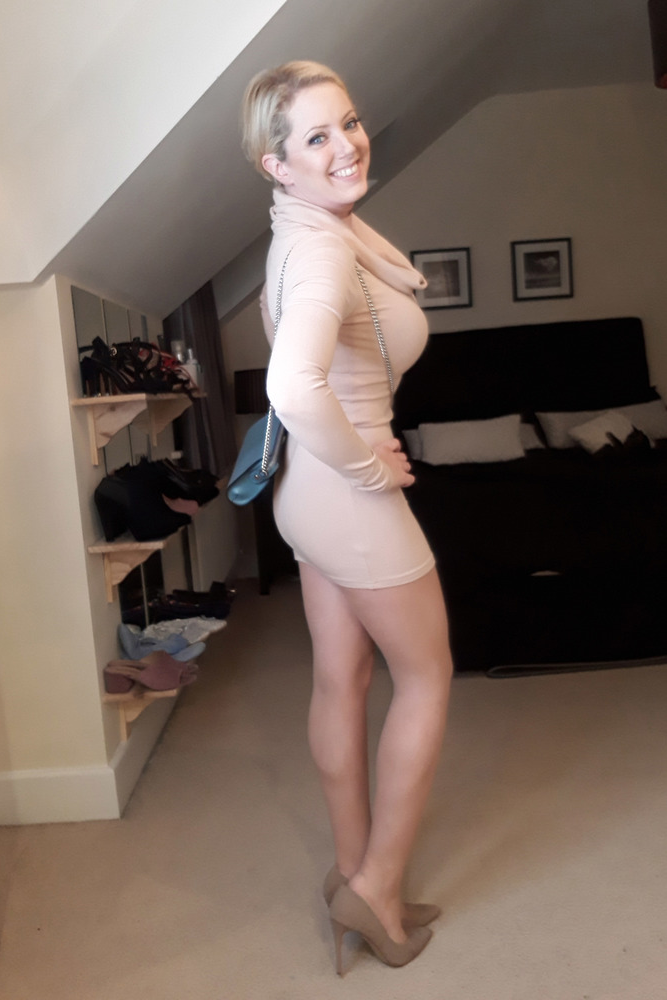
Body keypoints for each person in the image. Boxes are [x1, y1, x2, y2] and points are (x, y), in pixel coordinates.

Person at [241, 61, 453, 975]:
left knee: (343, 678)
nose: (346, 146)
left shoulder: (304, 232)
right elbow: (294, 387)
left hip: (305, 494)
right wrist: (370, 467)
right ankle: (378, 889)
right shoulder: (325, 251)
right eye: (317, 136)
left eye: (351, 123)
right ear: (277, 163)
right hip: (345, 491)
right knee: (428, 677)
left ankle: (355, 875)